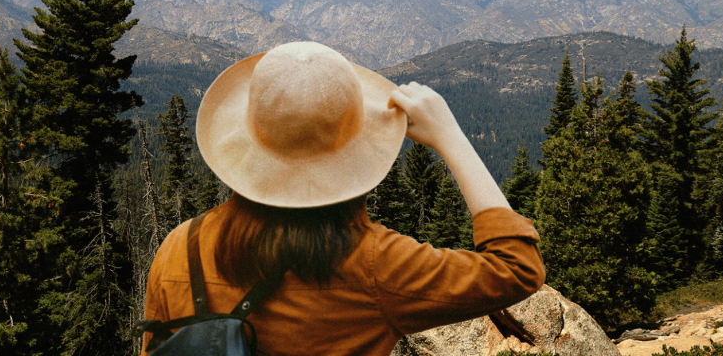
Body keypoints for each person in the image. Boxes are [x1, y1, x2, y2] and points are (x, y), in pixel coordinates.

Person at [140, 41, 544, 356]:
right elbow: (518, 267)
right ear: (356, 151)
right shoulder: (376, 266)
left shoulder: (181, 247)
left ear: (248, 142)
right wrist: (450, 138)